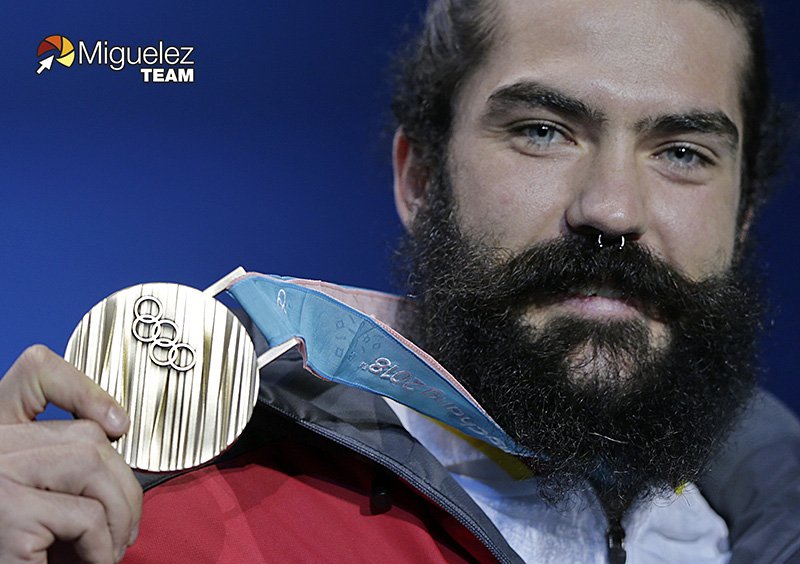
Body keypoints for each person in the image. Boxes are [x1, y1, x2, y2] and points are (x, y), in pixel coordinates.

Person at [1, 0, 798, 562]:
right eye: (543, 131)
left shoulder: (766, 522)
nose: (613, 209)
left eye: (684, 151)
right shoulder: (156, 535)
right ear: (420, 180)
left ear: (745, 213)